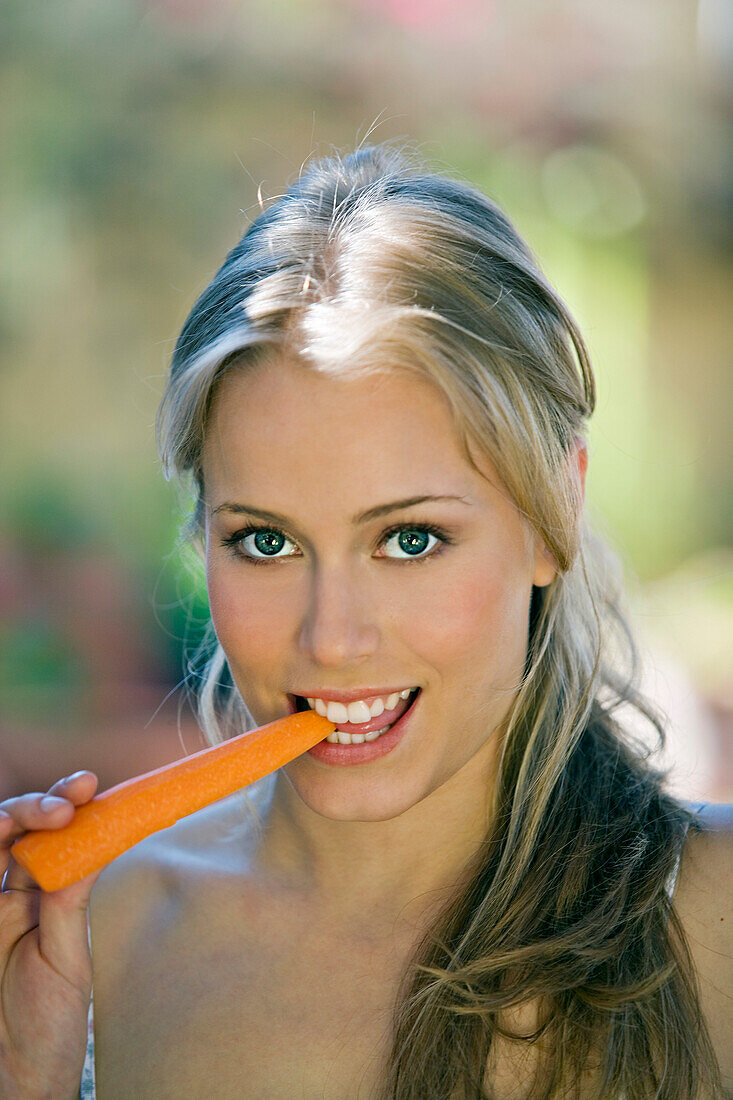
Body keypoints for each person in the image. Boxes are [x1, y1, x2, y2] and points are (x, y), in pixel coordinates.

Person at [1, 142, 730, 1100]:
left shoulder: (712, 919)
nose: (331, 640)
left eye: (411, 540)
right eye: (266, 542)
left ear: (555, 516)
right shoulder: (90, 942)